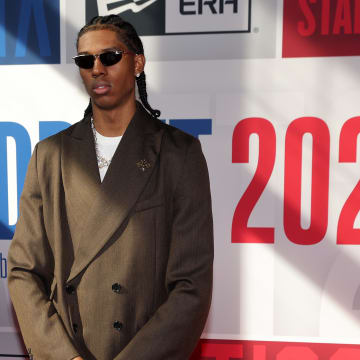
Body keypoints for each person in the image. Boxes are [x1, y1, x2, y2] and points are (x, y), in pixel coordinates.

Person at [7, 15, 213, 360]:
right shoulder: (51, 155)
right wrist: (63, 356)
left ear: (137, 62)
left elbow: (191, 286)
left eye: (110, 56)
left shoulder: (178, 153)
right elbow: (24, 270)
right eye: (85, 60)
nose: (97, 68)